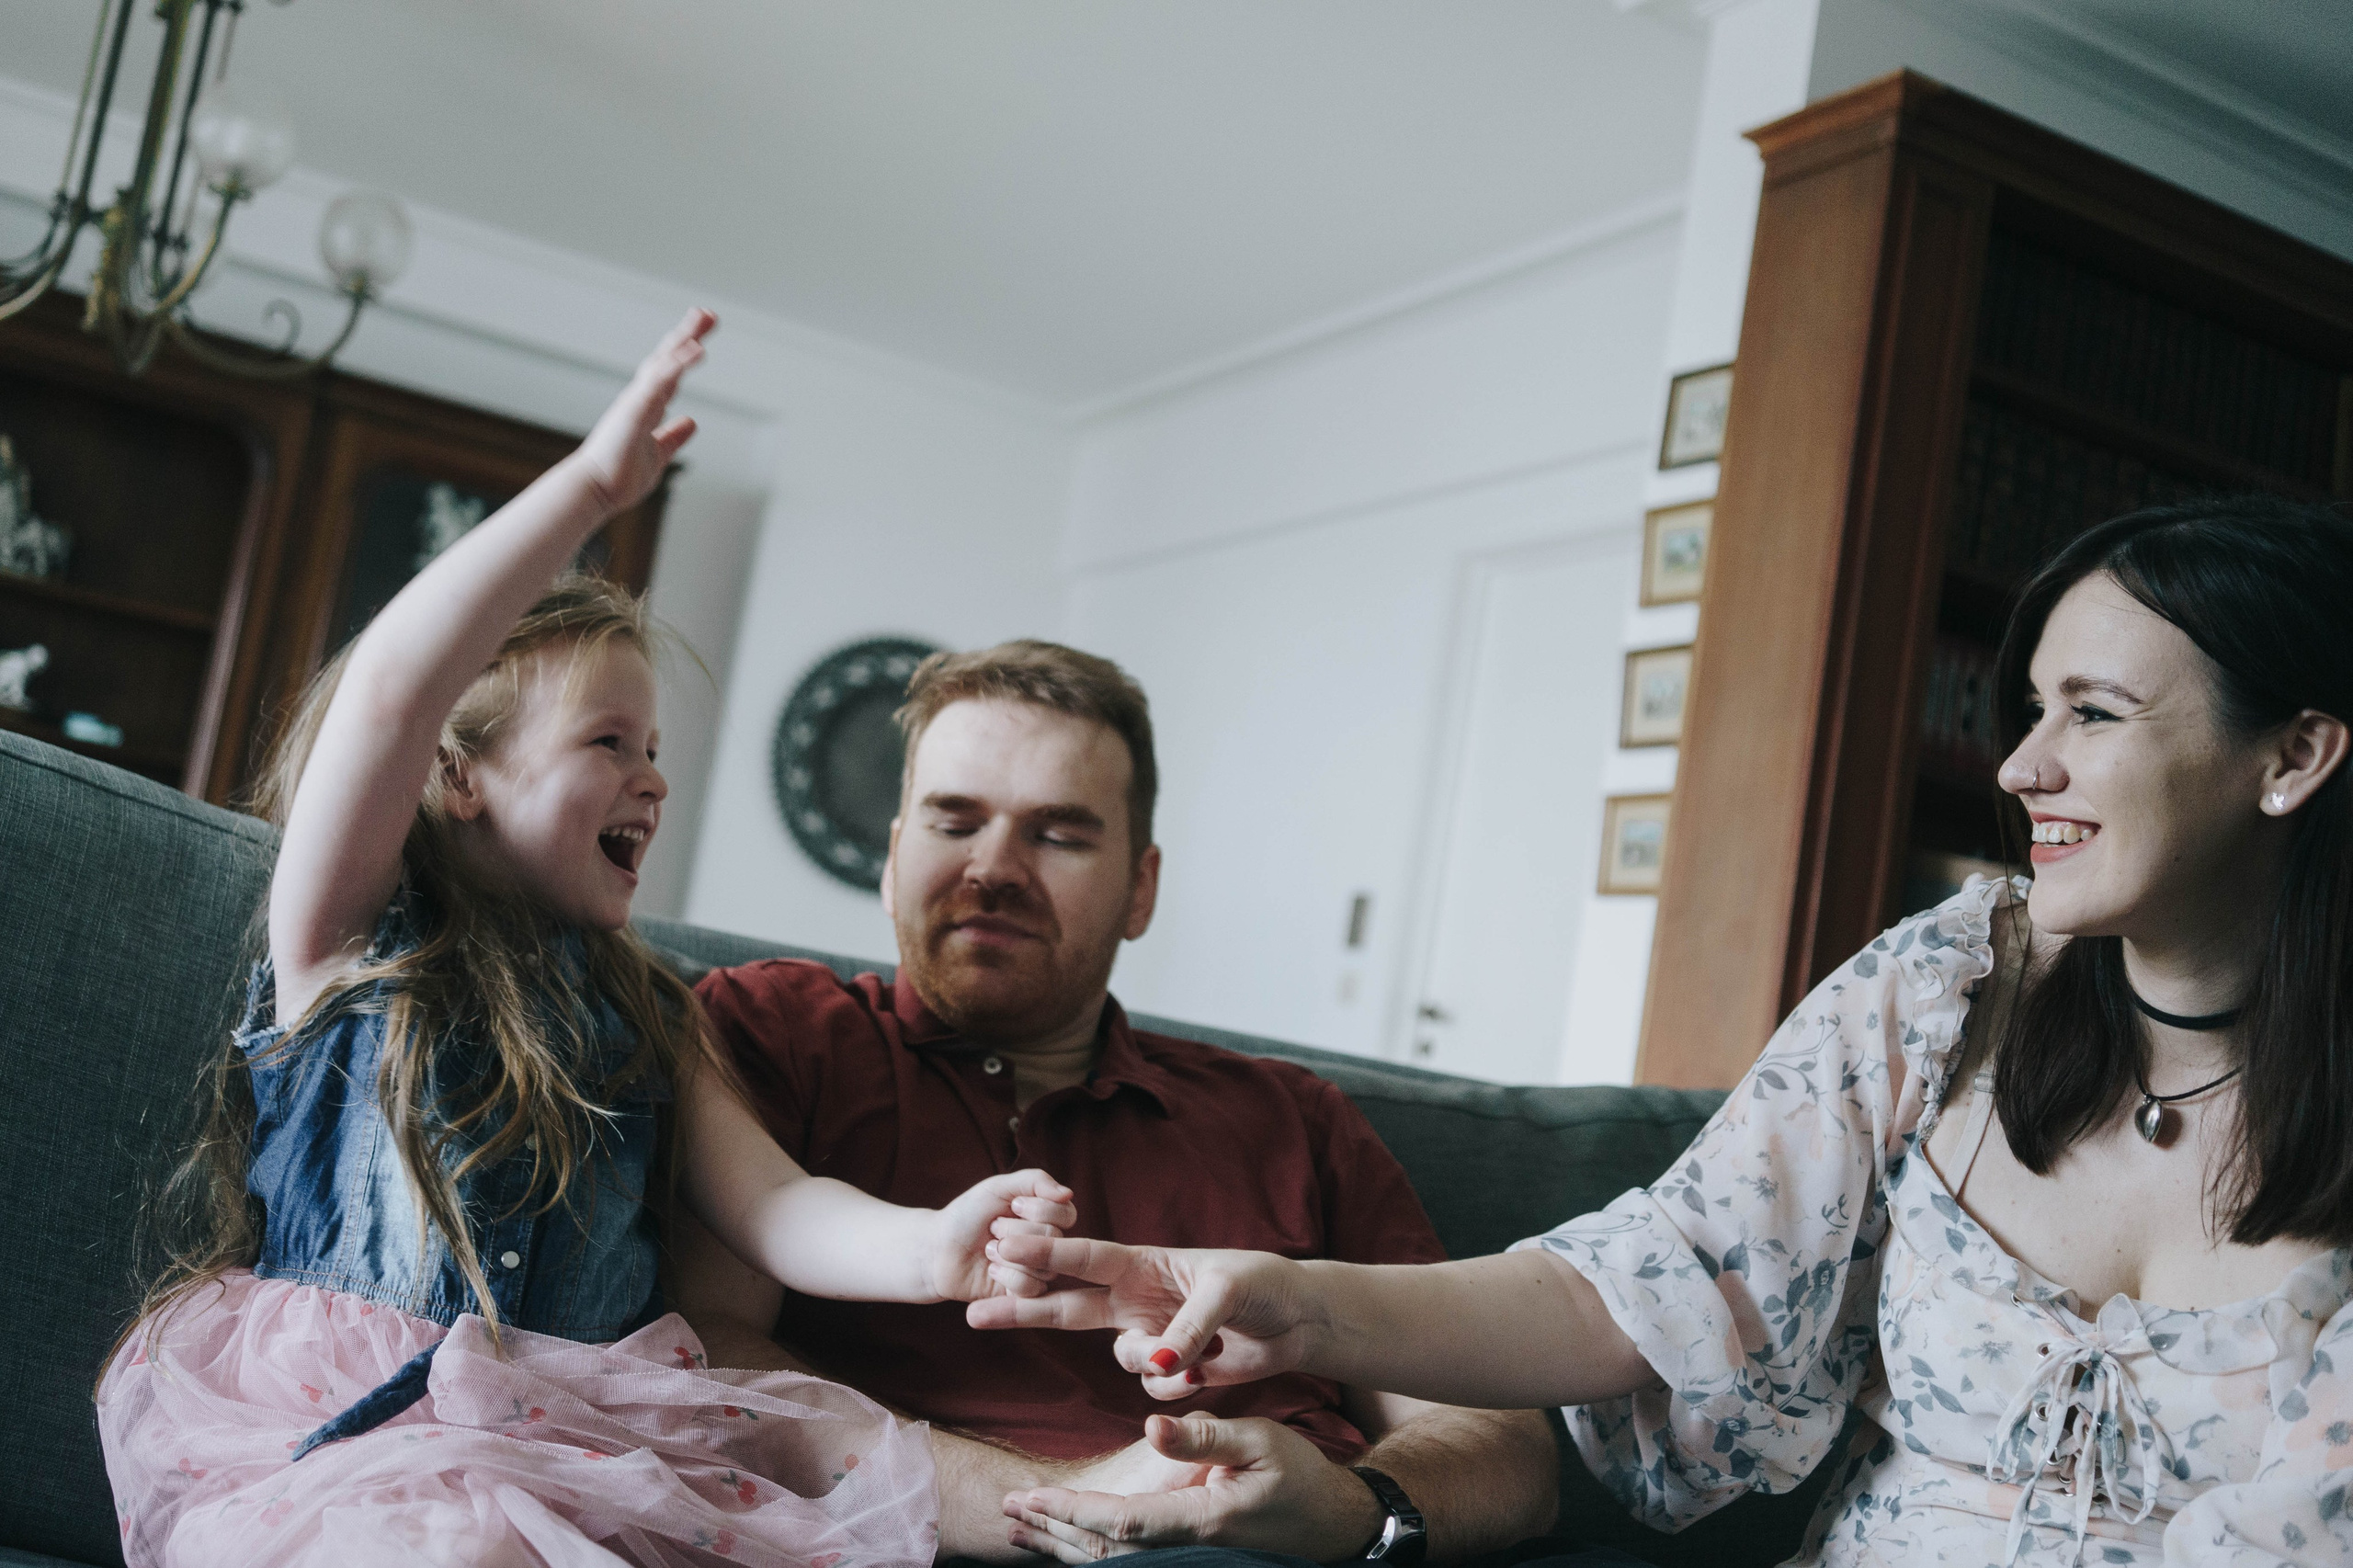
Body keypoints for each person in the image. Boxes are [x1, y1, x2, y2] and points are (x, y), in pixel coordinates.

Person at [982, 494, 2353, 1566]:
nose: (2018, 765)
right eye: (2033, 705)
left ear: (2293, 756)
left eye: (2094, 714)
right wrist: (1298, 1303)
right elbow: (1657, 1282)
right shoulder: (1949, 984)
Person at [97, 311, 1082, 1566]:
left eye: (658, 750)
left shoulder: (656, 1013)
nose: (653, 781)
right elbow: (392, 684)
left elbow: (779, 1209)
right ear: (457, 776)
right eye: (608, 743)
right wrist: (587, 493)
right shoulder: (351, 944)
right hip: (357, 1441)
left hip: (589, 1443)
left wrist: (930, 1245)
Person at [671, 641, 1563, 1564]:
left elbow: (1497, 1435)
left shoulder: (1293, 1114)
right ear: (895, 859)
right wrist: (1069, 1503)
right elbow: (706, 1354)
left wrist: (1354, 1509)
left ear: (1140, 887)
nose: (994, 866)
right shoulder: (771, 1028)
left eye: (1058, 833)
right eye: (954, 820)